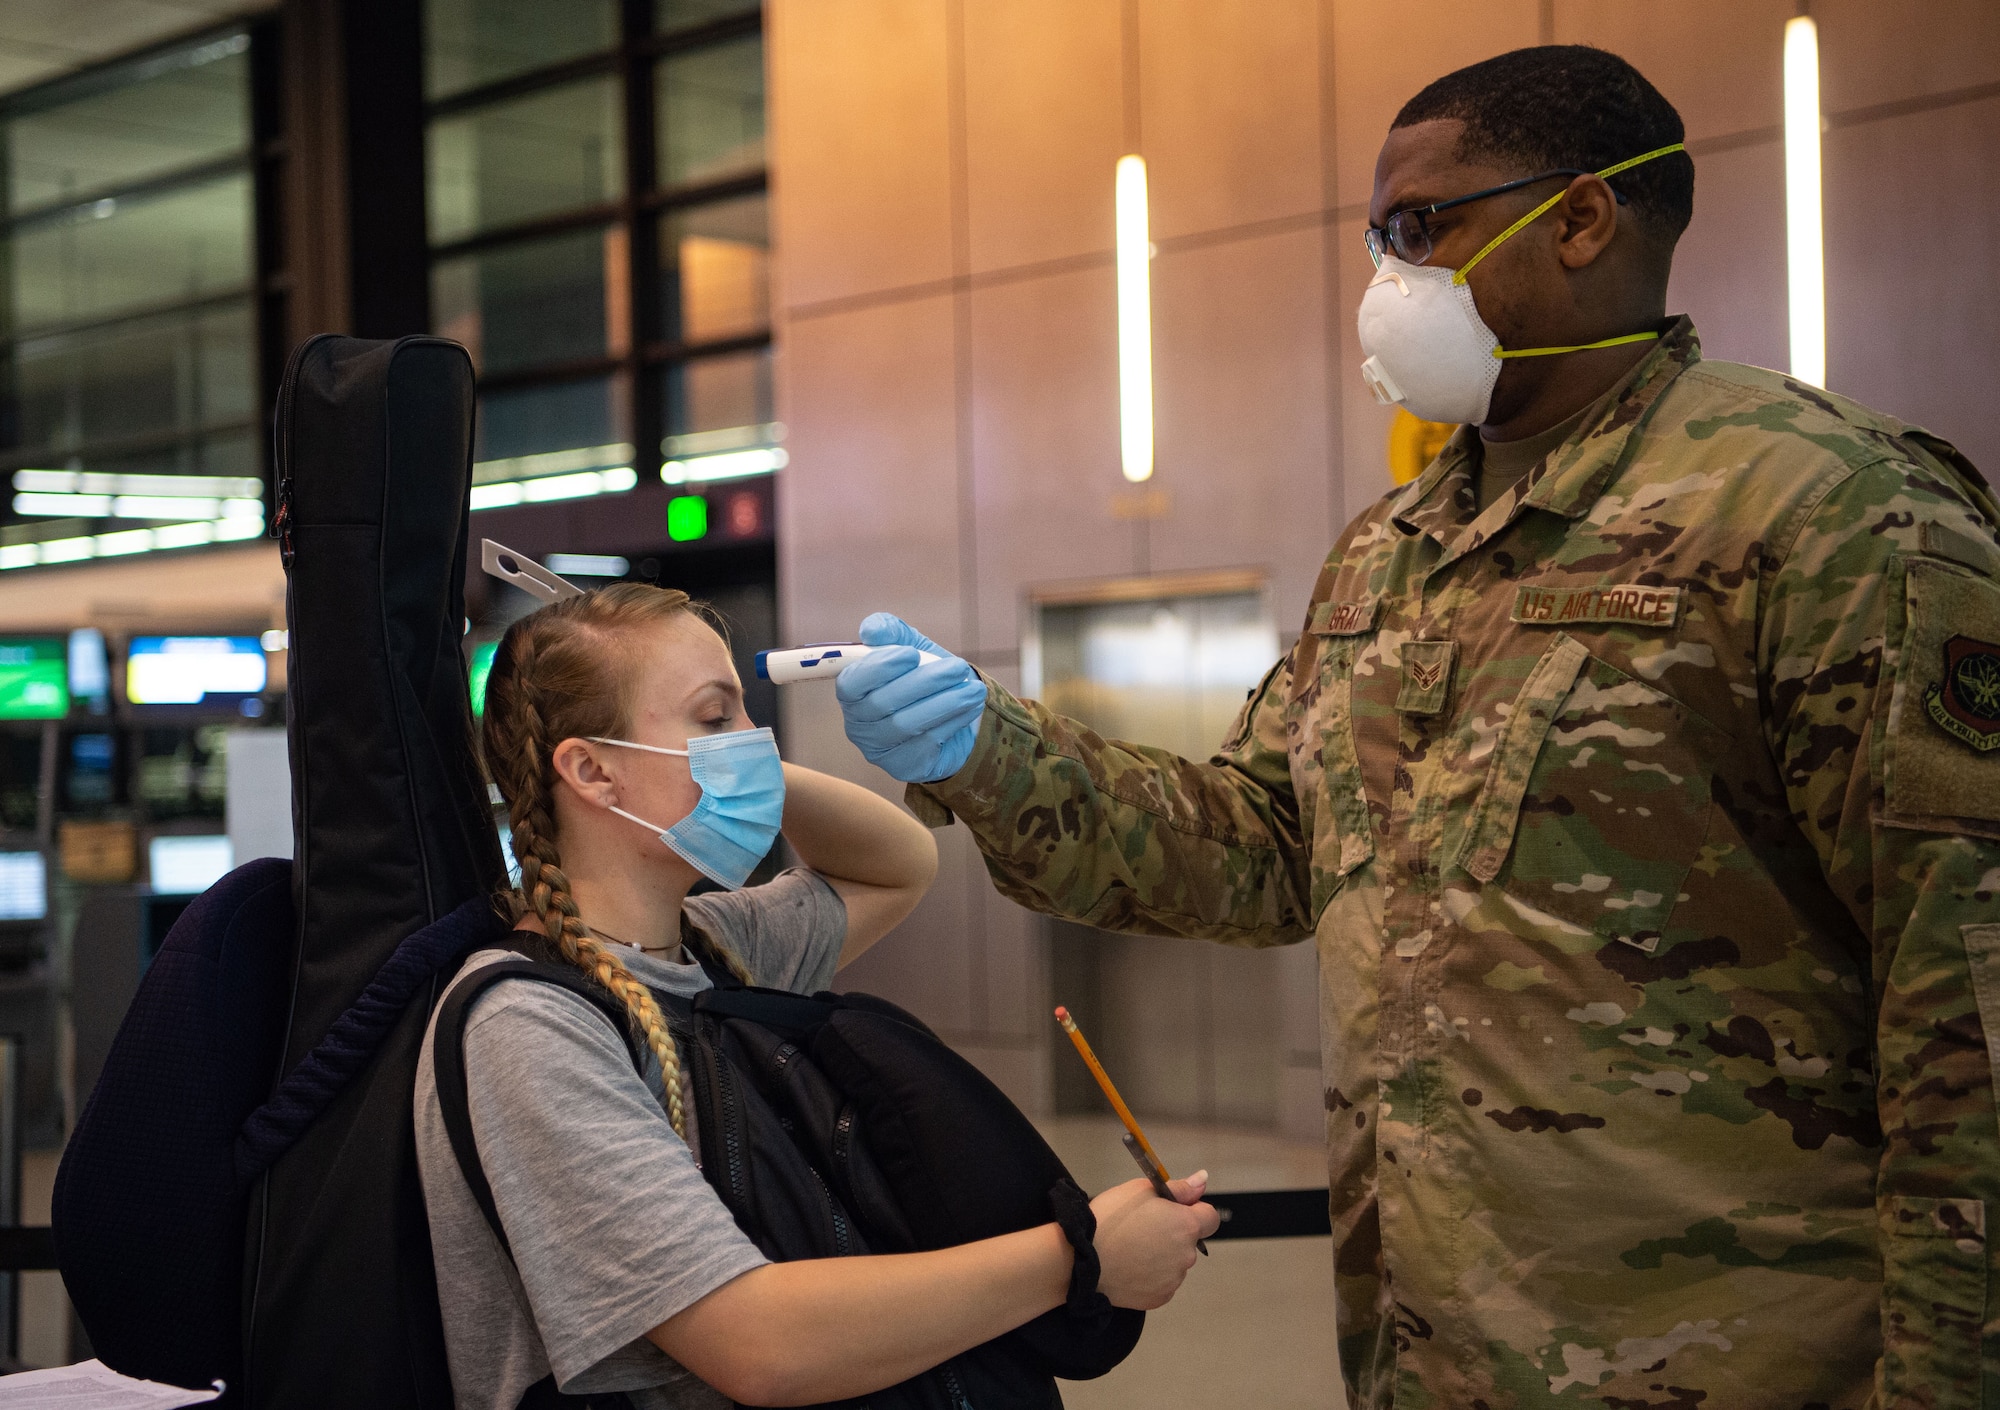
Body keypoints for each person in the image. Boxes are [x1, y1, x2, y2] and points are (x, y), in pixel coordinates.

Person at [834, 45, 2000, 1408]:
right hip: (1426, 1351)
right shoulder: (1389, 551)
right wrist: (984, 749)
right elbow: (1261, 846)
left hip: (1740, 1358)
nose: (1387, 280)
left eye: (1419, 228)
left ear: (1579, 222)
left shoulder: (1830, 515)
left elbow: (1966, 1011)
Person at [412, 583, 1219, 1409]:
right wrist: (1078, 1257)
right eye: (715, 717)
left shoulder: (720, 946)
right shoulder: (530, 1022)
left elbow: (899, 864)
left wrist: (741, 762)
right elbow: (756, 1344)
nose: (752, 743)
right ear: (591, 769)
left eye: (747, 716)